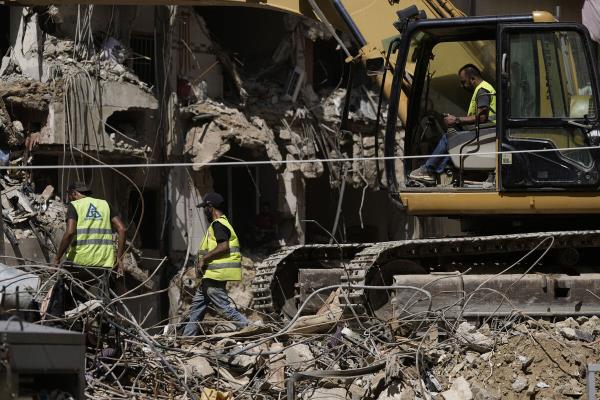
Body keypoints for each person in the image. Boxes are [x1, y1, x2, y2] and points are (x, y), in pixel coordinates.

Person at [409, 64, 496, 184]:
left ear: (472, 79)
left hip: (486, 133)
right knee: (453, 135)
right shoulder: (484, 88)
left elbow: (482, 117)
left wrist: (456, 120)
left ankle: (428, 170)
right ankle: (435, 171)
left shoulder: (482, 90)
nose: (462, 85)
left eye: (463, 82)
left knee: (448, 139)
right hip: (485, 132)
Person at [183, 192, 249, 336]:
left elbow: (223, 246)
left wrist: (204, 259)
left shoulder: (218, 224)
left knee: (223, 309)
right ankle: (186, 339)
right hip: (209, 277)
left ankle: (248, 327)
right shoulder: (220, 223)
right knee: (196, 310)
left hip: (215, 276)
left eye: (205, 208)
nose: (204, 211)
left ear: (210, 207)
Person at [52, 182, 126, 300]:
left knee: (68, 293)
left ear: (74, 193)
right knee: (103, 300)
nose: (70, 199)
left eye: (70, 196)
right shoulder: (105, 204)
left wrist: (57, 258)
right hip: (104, 262)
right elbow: (122, 228)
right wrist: (119, 258)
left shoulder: (75, 205)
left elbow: (70, 232)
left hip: (80, 262)